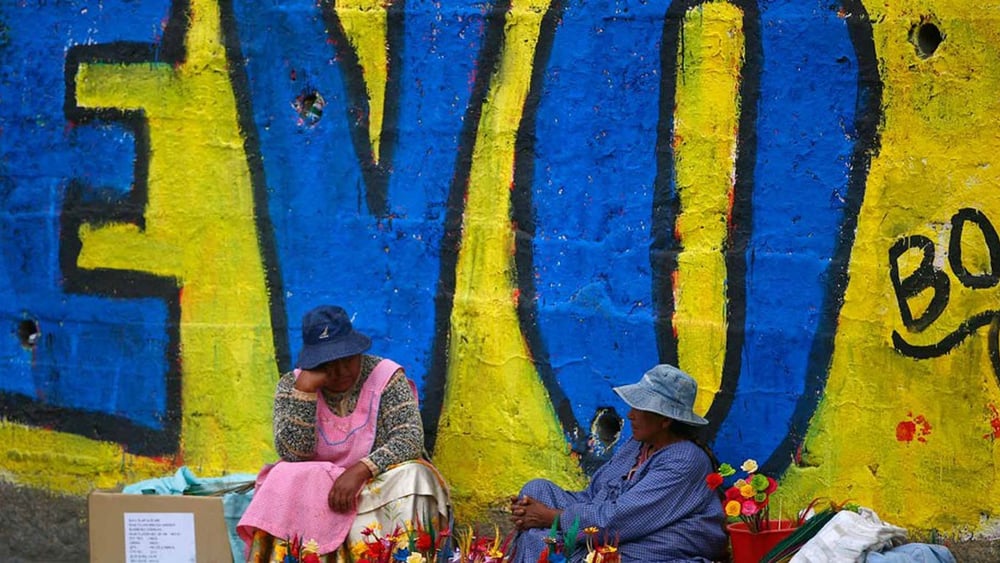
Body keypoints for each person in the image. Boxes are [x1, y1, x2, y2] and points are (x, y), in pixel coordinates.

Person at [237, 305, 450, 562]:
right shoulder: (292, 385)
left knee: (415, 475)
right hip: (320, 493)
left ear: (358, 351)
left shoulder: (386, 377)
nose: (340, 372)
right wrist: (304, 394)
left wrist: (361, 470)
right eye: (328, 364)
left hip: (374, 487)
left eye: (346, 360)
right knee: (281, 475)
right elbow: (293, 454)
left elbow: (409, 438)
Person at [508, 364, 727, 563]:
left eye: (639, 409)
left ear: (665, 419)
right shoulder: (639, 444)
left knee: (545, 539)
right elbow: (595, 495)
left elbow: (620, 519)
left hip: (654, 541)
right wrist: (536, 510)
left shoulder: (684, 460)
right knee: (536, 491)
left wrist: (550, 517)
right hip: (613, 524)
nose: (630, 415)